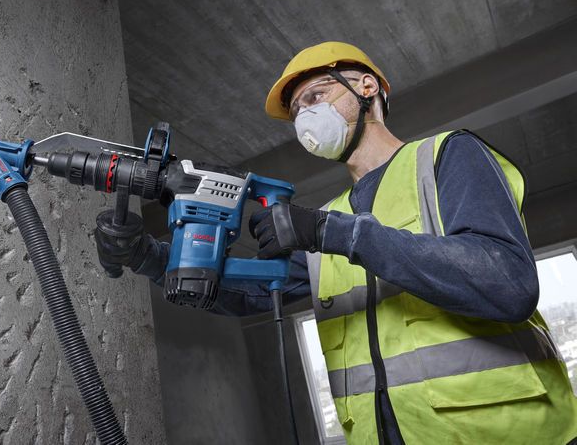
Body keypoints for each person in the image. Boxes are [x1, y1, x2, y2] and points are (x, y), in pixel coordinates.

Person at [94, 42, 577, 444]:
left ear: (367, 87)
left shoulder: (447, 157)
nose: (307, 115)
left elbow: (507, 282)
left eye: (317, 95)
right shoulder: (328, 215)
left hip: (511, 434)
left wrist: (333, 235)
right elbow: (258, 293)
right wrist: (152, 258)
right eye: (298, 109)